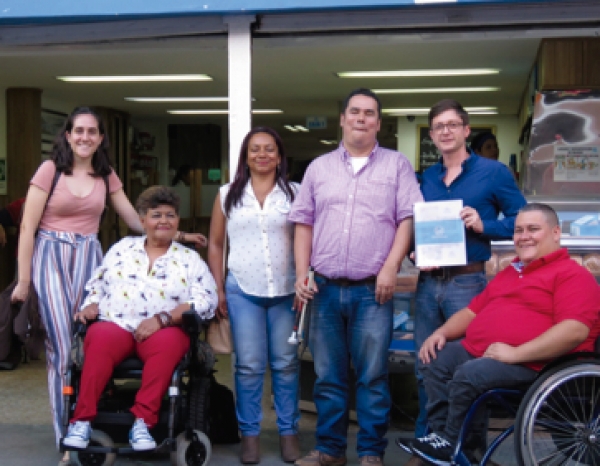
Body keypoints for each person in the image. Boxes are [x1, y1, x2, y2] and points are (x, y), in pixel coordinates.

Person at [10, 107, 207, 449]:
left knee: (91, 335)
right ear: (68, 136)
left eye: (92, 132)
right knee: (61, 348)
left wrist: (181, 236)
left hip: (88, 254)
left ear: (101, 138)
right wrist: (24, 281)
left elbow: (135, 219)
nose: (85, 137)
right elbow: (27, 226)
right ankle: (66, 435)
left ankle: (98, 418)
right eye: (79, 131)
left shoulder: (106, 174)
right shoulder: (50, 170)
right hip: (51, 254)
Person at [398, 203, 600, 464]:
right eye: (518, 230)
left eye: (533, 229)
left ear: (556, 233)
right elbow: (472, 312)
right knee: (435, 358)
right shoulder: (512, 272)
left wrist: (515, 353)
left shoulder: (572, 275)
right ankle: (451, 442)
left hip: (537, 364)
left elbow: (574, 331)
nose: (524, 236)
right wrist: (442, 332)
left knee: (469, 375)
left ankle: (451, 443)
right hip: (489, 353)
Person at [290, 88, 423, 466]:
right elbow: (304, 223)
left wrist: (390, 267)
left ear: (378, 123)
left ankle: (369, 453)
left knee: (372, 378)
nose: (361, 118)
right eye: (355, 112)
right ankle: (330, 450)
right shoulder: (318, 168)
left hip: (372, 292)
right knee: (328, 376)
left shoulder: (397, 165)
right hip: (325, 289)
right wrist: (303, 274)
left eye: (369, 113)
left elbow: (407, 219)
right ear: (343, 119)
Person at [404, 100, 526, 460]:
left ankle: (468, 453)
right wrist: (415, 250)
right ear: (431, 134)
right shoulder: (425, 177)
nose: (445, 131)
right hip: (428, 285)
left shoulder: (494, 172)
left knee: (468, 370)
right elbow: (417, 226)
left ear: (465, 130)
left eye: (453, 125)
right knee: (426, 366)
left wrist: (483, 225)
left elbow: (522, 219)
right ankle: (429, 445)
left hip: (468, 285)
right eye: (439, 126)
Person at [62, 185, 217, 451]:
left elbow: (206, 301)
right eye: (156, 215)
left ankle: (143, 422)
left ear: (177, 221)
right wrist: (91, 305)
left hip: (164, 330)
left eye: (170, 215)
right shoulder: (122, 249)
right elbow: (98, 284)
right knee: (98, 337)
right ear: (142, 220)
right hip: (118, 324)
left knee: (170, 344)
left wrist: (163, 318)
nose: (164, 221)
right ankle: (82, 421)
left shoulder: (189, 260)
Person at [207, 127, 300, 464]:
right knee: (247, 366)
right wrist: (217, 287)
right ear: (245, 156)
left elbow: (306, 240)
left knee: (286, 365)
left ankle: (289, 432)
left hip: (286, 290)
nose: (262, 155)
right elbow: (216, 244)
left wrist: (304, 279)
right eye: (255, 149)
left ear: (279, 155)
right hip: (242, 289)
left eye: (269, 149)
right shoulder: (227, 193)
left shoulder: (296, 193)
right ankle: (250, 436)